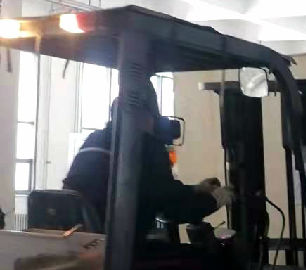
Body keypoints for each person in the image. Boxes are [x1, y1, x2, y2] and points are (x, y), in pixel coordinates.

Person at [64, 81, 230, 236]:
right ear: (142, 116)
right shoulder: (144, 146)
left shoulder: (95, 139)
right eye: (154, 115)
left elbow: (155, 189)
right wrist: (215, 199)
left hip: (84, 240)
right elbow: (171, 208)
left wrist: (195, 189)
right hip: (123, 245)